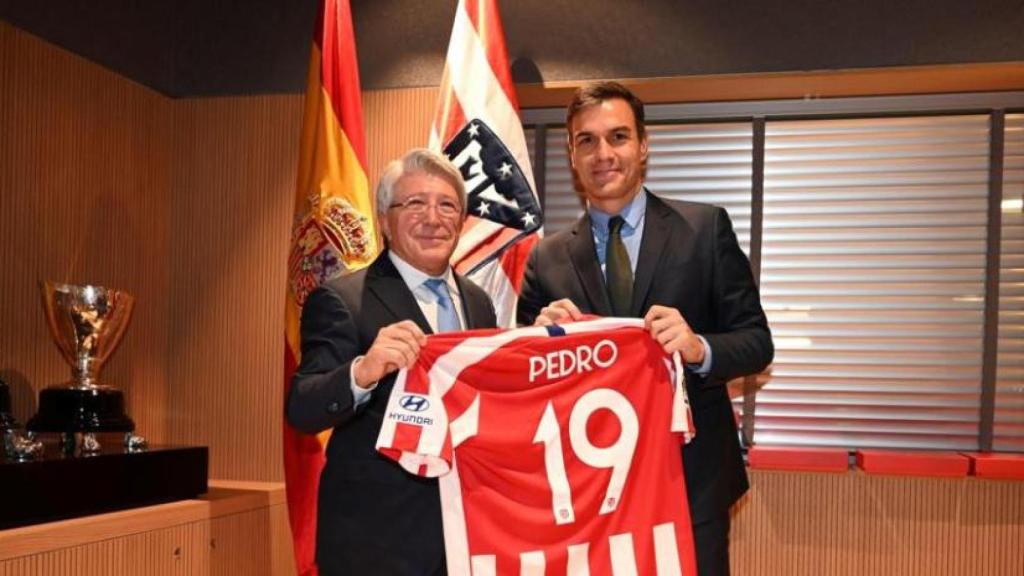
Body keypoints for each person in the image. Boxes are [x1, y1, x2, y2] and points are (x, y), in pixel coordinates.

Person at [516, 81, 773, 576]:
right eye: (586, 141)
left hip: (690, 481)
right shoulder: (546, 257)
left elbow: (756, 343)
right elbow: (523, 377)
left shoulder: (704, 229)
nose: (603, 153)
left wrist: (699, 347)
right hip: (587, 490)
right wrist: (534, 339)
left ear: (643, 145)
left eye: (618, 137)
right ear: (571, 154)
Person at [287, 148, 497, 576]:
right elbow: (303, 408)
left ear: (461, 221)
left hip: (467, 538)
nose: (433, 218)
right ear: (384, 219)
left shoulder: (479, 302)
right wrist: (362, 372)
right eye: (415, 203)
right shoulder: (343, 299)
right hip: (376, 545)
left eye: (447, 205)